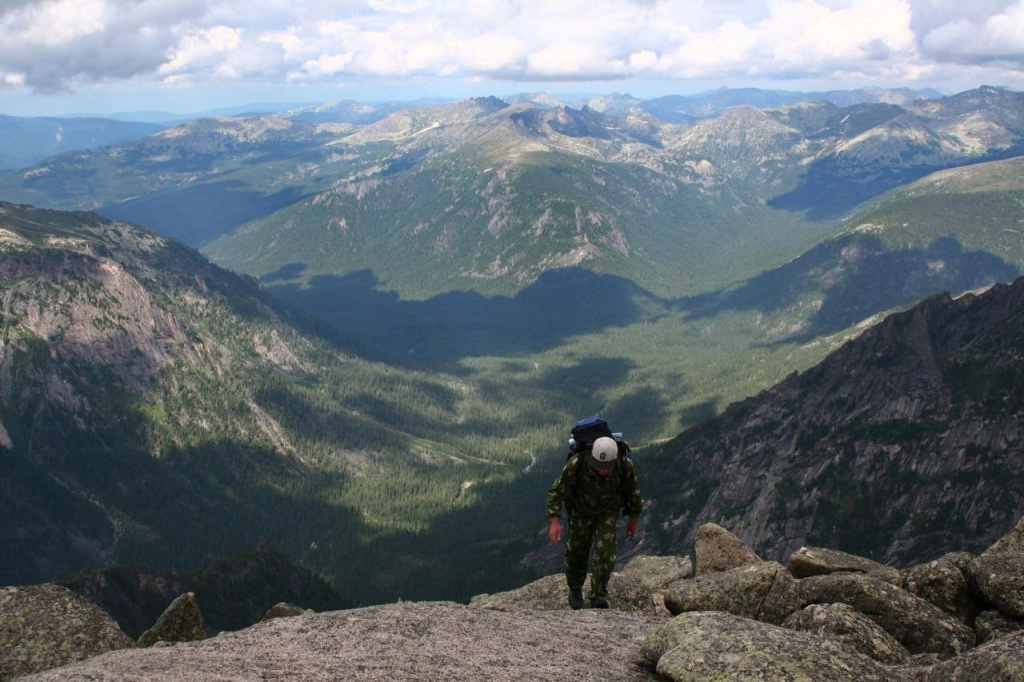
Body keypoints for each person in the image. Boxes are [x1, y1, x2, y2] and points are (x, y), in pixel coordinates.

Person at [546, 432, 642, 609]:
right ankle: (575, 588)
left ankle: (598, 596)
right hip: (581, 512)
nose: (603, 469)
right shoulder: (577, 463)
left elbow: (633, 493)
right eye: (599, 465)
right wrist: (554, 520)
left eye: (607, 466)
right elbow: (556, 492)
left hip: (607, 512)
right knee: (576, 552)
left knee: (605, 553)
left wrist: (633, 519)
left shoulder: (624, 465)